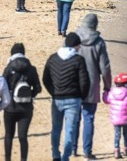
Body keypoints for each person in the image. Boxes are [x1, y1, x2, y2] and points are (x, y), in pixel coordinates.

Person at [43, 33, 90, 161]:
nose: (79, 48)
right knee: (70, 130)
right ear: (75, 46)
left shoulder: (53, 58)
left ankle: (55, 154)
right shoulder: (78, 60)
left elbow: (45, 79)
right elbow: (84, 82)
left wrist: (53, 92)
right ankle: (65, 157)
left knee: (56, 128)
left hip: (57, 99)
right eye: (79, 46)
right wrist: (82, 96)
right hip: (73, 100)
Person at [73, 14, 112, 160]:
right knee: (88, 118)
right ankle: (87, 152)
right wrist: (108, 87)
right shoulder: (99, 42)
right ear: (95, 25)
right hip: (92, 85)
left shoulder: (74, 38)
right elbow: (105, 68)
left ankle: (73, 149)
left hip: (75, 84)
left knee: (75, 118)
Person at [2, 43, 42, 161]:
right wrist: (30, 96)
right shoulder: (31, 68)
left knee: (9, 135)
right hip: (26, 108)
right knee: (23, 137)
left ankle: (8, 159)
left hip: (10, 107)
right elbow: (38, 88)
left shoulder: (9, 68)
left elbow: (2, 86)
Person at [102, 73, 127, 159]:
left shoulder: (112, 92)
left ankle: (116, 150)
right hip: (125, 119)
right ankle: (126, 149)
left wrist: (105, 93)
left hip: (115, 119)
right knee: (125, 134)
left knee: (117, 134)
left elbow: (106, 100)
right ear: (126, 84)